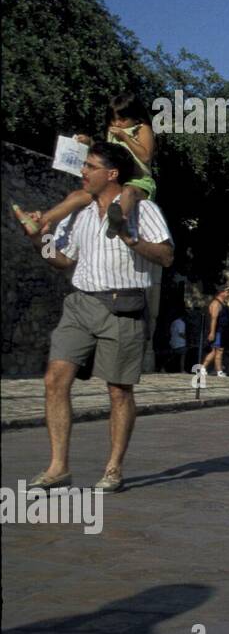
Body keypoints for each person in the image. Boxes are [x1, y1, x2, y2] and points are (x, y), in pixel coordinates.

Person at [10, 141, 174, 493]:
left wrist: (131, 241)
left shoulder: (143, 210)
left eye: (90, 166)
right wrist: (40, 242)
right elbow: (64, 260)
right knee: (55, 378)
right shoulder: (78, 214)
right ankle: (58, 468)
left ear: (111, 174)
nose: (82, 171)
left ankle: (113, 468)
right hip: (81, 304)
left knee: (118, 391)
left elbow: (165, 256)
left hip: (123, 306)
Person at [31, 93, 158, 242]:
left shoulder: (141, 129)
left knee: (128, 192)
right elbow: (107, 155)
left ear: (135, 117)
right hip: (115, 179)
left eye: (122, 120)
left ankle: (118, 222)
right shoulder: (113, 132)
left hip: (138, 180)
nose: (117, 123)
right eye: (113, 119)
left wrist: (126, 138)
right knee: (77, 196)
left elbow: (146, 156)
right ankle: (42, 220)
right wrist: (90, 143)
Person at [200, 285, 229, 377]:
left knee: (215, 351)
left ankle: (204, 368)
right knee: (219, 350)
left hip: (223, 331)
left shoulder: (224, 304)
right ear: (221, 292)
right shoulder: (216, 304)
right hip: (218, 331)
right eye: (227, 291)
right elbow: (214, 319)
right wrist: (212, 332)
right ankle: (219, 371)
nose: (228, 293)